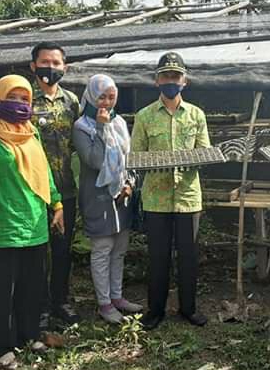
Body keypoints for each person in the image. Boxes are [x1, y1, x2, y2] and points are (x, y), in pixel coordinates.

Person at [0, 75, 64, 369]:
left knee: (31, 287)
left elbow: (44, 173)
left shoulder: (30, 133)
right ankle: (3, 346)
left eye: (24, 99)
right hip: (2, 227)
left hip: (34, 226)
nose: (19, 104)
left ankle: (29, 334)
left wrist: (57, 203)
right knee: (2, 291)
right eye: (13, 98)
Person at [130, 52, 211, 330]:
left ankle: (188, 308)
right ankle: (156, 310)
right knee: (158, 258)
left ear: (184, 81)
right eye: (165, 76)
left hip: (188, 197)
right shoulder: (144, 117)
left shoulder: (197, 115)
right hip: (156, 198)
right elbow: (136, 157)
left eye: (175, 76)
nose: (170, 81)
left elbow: (204, 152)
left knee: (188, 258)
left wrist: (191, 159)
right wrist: (155, 163)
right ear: (157, 81)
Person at [73, 74, 143, 324]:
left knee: (120, 250)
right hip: (98, 196)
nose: (106, 102)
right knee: (102, 250)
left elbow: (129, 157)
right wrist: (101, 128)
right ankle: (104, 303)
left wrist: (130, 183)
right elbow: (94, 160)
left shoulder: (121, 123)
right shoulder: (82, 127)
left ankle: (117, 297)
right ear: (91, 95)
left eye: (111, 96)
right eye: (101, 96)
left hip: (121, 195)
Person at [29, 42, 82, 328]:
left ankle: (60, 300)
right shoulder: (24, 99)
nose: (51, 67)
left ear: (65, 67)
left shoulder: (72, 101)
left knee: (62, 249)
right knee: (38, 252)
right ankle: (39, 308)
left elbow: (78, 143)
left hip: (65, 188)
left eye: (56, 62)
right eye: (44, 62)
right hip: (32, 192)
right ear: (33, 66)